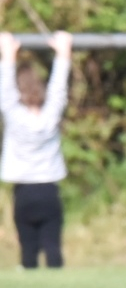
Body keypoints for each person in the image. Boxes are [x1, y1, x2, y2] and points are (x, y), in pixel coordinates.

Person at [1, 31, 72, 269]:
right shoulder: (50, 116)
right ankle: (57, 283)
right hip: (49, 190)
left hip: (24, 191)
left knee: (28, 249)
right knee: (53, 248)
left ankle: (30, 274)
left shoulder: (14, 116)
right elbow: (58, 90)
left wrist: (8, 56)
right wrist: (63, 54)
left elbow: (6, 93)